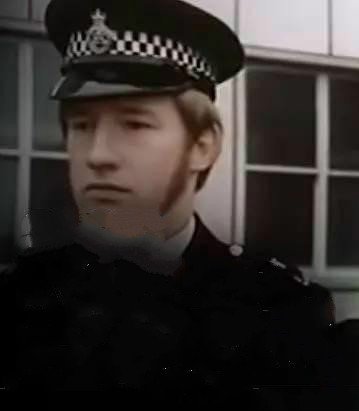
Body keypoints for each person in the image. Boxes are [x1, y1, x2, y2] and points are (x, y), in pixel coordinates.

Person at [0, 0, 334, 408]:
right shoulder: (17, 299)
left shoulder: (276, 310)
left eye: (134, 124)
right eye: (82, 126)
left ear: (203, 146)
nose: (98, 155)